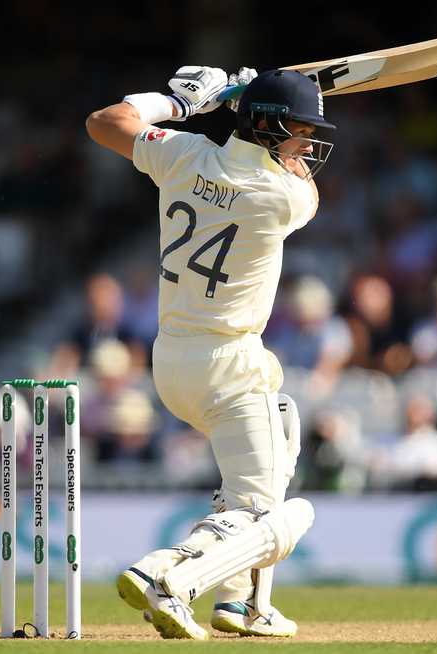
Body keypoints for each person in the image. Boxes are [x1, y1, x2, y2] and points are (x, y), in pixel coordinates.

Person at [86, 65, 335, 639]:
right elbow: (310, 187)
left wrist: (184, 102)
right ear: (270, 128)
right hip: (229, 364)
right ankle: (168, 577)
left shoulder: (182, 154)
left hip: (171, 359)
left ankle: (242, 603)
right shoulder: (280, 194)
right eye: (300, 129)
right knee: (281, 515)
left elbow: (106, 122)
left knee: (284, 424)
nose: (308, 144)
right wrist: (247, 104)